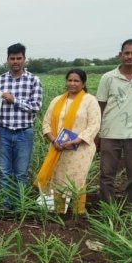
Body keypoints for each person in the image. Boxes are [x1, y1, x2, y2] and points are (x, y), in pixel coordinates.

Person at [96, 39, 132, 205]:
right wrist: (97, 133)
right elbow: (100, 105)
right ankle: (108, 206)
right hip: (110, 131)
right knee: (107, 173)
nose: (129, 56)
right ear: (120, 55)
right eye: (126, 53)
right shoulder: (108, 77)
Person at [35, 69, 101, 215]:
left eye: (76, 81)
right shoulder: (57, 101)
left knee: (77, 181)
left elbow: (94, 125)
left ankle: (78, 215)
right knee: (58, 180)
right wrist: (53, 140)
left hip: (80, 150)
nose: (72, 83)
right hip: (58, 148)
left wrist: (74, 141)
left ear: (83, 83)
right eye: (70, 80)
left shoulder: (90, 101)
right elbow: (46, 123)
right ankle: (60, 213)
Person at [0, 43, 43, 209]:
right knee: (3, 172)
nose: (15, 61)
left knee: (21, 173)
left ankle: (19, 205)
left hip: (24, 132)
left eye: (19, 58)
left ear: (24, 59)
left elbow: (35, 106)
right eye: (12, 58)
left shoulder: (33, 80)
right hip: (3, 132)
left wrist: (13, 99)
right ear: (7, 60)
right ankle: (4, 206)